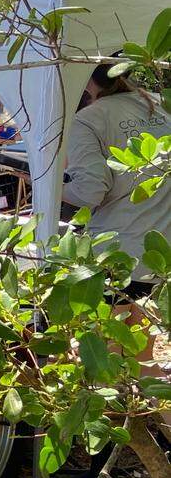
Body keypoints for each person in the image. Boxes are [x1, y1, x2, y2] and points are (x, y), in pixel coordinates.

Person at [63, 63, 171, 373]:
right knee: (143, 358)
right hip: (159, 252)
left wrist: (51, 187)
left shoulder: (89, 118)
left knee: (103, 361)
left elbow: (89, 192)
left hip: (116, 250)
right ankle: (153, 421)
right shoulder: (157, 103)